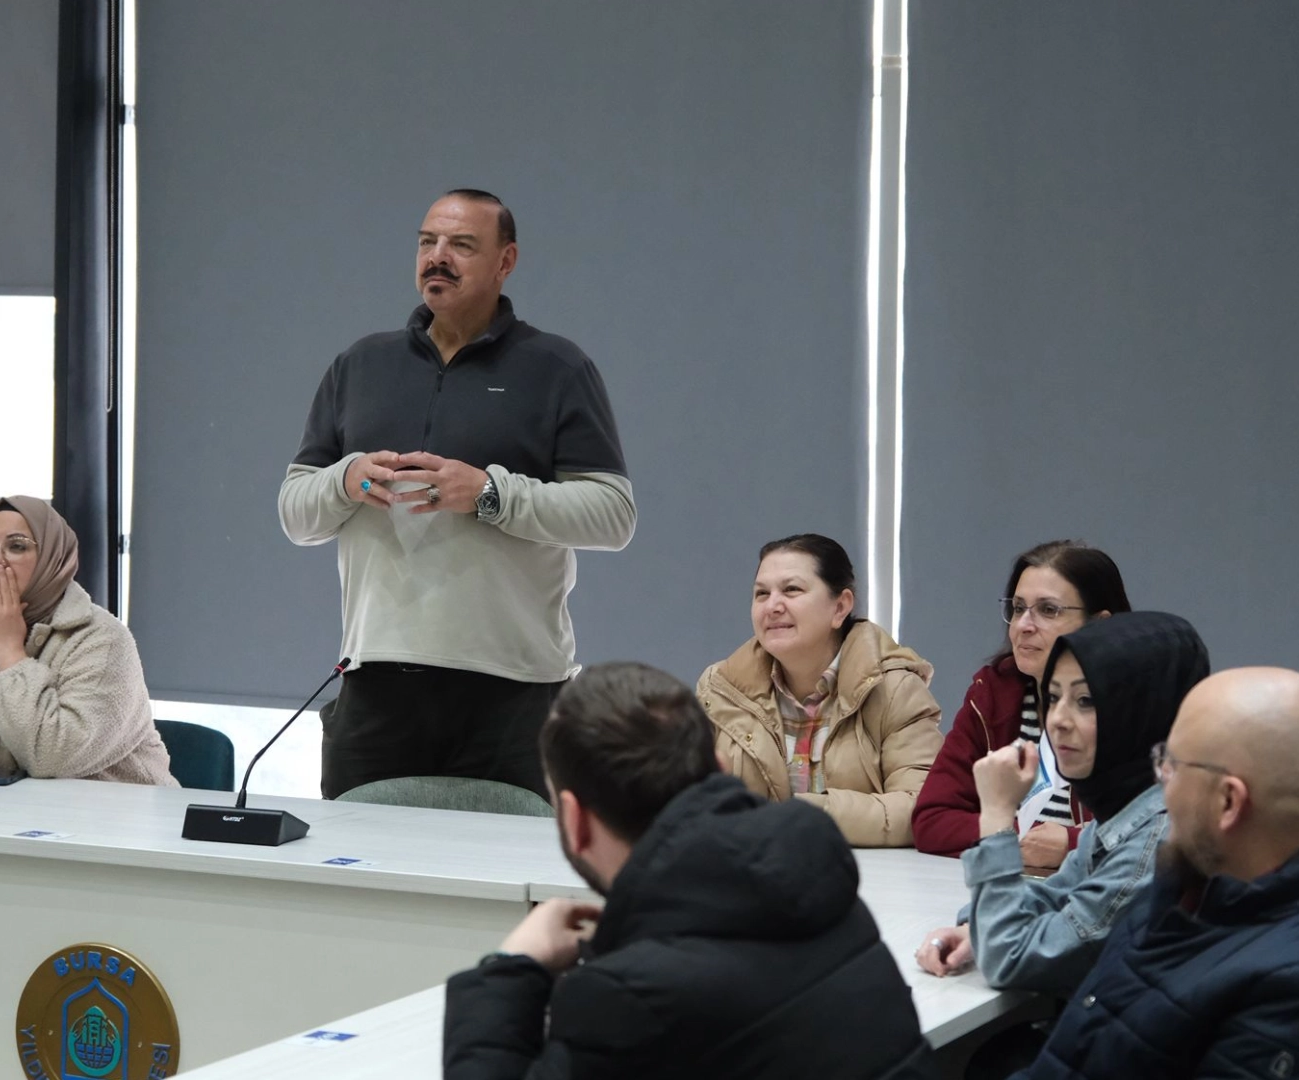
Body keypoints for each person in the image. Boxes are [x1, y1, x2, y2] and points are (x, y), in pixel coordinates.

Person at [278, 189, 636, 800]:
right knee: (360, 883)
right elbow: (295, 513)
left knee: (509, 888)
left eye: (461, 245)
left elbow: (612, 515)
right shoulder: (360, 365)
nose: (437, 257)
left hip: (514, 692)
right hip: (379, 685)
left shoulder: (556, 368)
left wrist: (490, 493)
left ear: (506, 261)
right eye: (427, 242)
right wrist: (345, 479)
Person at [443, 661, 936, 1080]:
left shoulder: (626, 997)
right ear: (720, 766)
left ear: (574, 821)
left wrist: (511, 971)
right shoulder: (823, 887)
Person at [1013, 667, 1299, 1079]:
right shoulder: (1176, 894)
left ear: (1228, 803)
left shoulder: (1280, 992)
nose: (1160, 780)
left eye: (1172, 765)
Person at [916, 611, 1209, 998]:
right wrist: (974, 928)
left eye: (1086, 700)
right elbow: (1056, 896)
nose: (1057, 720)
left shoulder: (1157, 840)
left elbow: (1011, 959)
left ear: (1144, 709)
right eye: (1053, 697)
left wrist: (998, 816)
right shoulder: (1126, 807)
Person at [0, 496, 174, 785]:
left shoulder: (102, 638)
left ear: (53, 559)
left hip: (115, 820)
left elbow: (53, 757)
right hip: (0, 819)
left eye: (17, 546)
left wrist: (8, 650)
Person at [696, 533, 943, 847]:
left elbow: (922, 806)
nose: (772, 606)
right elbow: (683, 800)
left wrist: (806, 814)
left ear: (840, 607)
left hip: (869, 883)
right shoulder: (719, 690)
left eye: (792, 590)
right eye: (761, 594)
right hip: (746, 876)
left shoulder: (894, 688)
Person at [914, 541, 1132, 869]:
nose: (1023, 626)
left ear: (1099, 624)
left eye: (1048, 610)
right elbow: (932, 821)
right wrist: (1015, 836)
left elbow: (1165, 833)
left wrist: (1075, 845)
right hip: (1010, 885)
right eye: (1018, 608)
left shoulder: (1139, 706)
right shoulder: (993, 694)